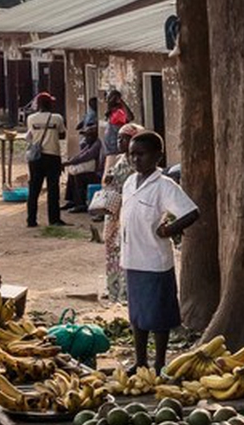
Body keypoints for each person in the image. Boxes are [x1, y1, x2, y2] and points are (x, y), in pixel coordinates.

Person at [119, 130, 199, 371]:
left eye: (141, 154)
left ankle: (159, 363)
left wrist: (169, 229)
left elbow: (191, 212)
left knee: (158, 316)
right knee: (138, 315)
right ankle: (140, 360)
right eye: (132, 154)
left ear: (157, 156)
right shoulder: (129, 183)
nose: (135, 159)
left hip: (154, 260)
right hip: (132, 258)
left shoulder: (164, 186)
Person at [97, 122, 141, 303]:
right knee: (112, 250)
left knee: (127, 251)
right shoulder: (120, 160)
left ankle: (125, 293)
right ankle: (114, 290)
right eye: (119, 138)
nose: (119, 142)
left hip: (127, 212)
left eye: (125, 139)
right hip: (114, 213)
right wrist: (108, 178)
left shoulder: (138, 163)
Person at [23, 91, 68, 227]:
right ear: (50, 104)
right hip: (53, 156)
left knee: (34, 189)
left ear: (38, 105)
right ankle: (54, 220)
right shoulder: (57, 118)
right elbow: (62, 135)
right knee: (53, 189)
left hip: (36, 158)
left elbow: (31, 135)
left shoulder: (31, 118)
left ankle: (31, 220)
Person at [61, 124, 104, 213]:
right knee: (71, 174)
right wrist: (69, 162)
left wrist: (68, 163)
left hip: (98, 173)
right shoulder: (90, 144)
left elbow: (86, 156)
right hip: (93, 171)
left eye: (88, 136)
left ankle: (81, 204)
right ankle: (72, 200)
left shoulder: (97, 144)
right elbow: (80, 155)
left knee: (79, 176)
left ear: (93, 136)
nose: (85, 138)